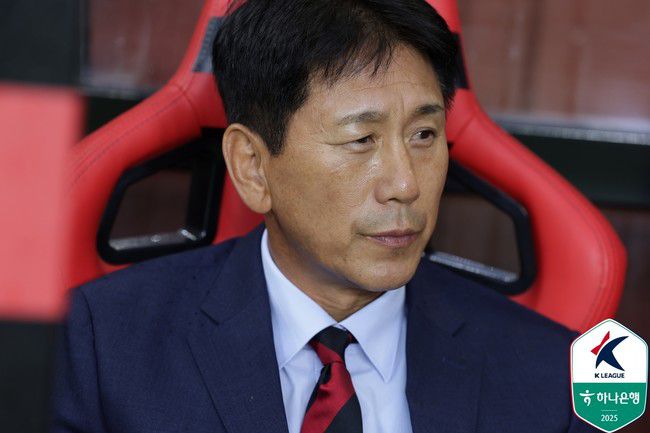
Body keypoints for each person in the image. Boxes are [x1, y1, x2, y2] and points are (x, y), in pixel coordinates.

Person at [50, 0, 599, 432]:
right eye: (361, 140)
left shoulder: (557, 378)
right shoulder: (101, 346)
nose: (405, 185)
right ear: (252, 167)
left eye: (424, 135)